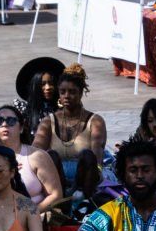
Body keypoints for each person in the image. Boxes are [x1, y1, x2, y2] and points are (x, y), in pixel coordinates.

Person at [34, 64, 106, 197]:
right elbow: (36, 152)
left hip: (86, 180)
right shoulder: (48, 121)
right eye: (63, 92)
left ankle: (83, 199)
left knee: (87, 155)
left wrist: (95, 173)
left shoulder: (95, 121)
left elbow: (96, 158)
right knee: (50, 155)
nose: (67, 96)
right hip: (56, 182)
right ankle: (59, 199)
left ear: (81, 93)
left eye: (72, 92)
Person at [0, 104, 67, 219]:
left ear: (21, 128)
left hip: (34, 219)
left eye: (11, 121)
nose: (4, 124)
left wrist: (30, 214)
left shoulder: (37, 156)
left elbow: (56, 195)